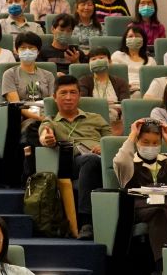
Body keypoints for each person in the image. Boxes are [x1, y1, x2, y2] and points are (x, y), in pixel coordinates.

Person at [109, 116, 167, 275]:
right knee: (158, 214)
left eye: (155, 143)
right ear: (138, 141)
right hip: (141, 206)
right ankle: (162, 269)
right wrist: (132, 135)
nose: (150, 147)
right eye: (146, 142)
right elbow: (119, 161)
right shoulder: (130, 162)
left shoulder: (165, 160)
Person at [34, 77, 111, 237]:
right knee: (90, 161)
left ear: (79, 96)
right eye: (63, 93)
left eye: (73, 92)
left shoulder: (96, 118)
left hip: (102, 160)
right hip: (72, 163)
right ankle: (86, 222)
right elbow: (44, 134)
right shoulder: (51, 121)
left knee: (96, 161)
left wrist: (104, 148)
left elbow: (113, 143)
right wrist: (46, 139)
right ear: (54, 97)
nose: (68, 97)